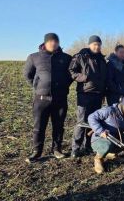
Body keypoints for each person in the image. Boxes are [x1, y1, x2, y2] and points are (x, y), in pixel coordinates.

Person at [24, 33, 72, 163]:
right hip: (41, 99)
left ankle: (57, 149)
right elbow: (28, 74)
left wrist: (63, 86)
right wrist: (38, 86)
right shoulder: (34, 57)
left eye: (56, 41)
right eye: (50, 41)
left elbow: (70, 75)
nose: (53, 43)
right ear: (45, 43)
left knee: (59, 125)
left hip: (60, 99)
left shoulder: (66, 58)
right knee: (39, 126)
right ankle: (37, 151)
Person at [69, 35, 107, 158]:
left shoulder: (102, 59)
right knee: (81, 122)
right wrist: (84, 78)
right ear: (90, 45)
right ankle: (75, 148)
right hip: (85, 94)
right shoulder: (81, 56)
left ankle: (88, 146)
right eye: (95, 44)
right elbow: (71, 71)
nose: (97, 47)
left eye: (99, 44)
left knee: (93, 121)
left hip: (98, 95)